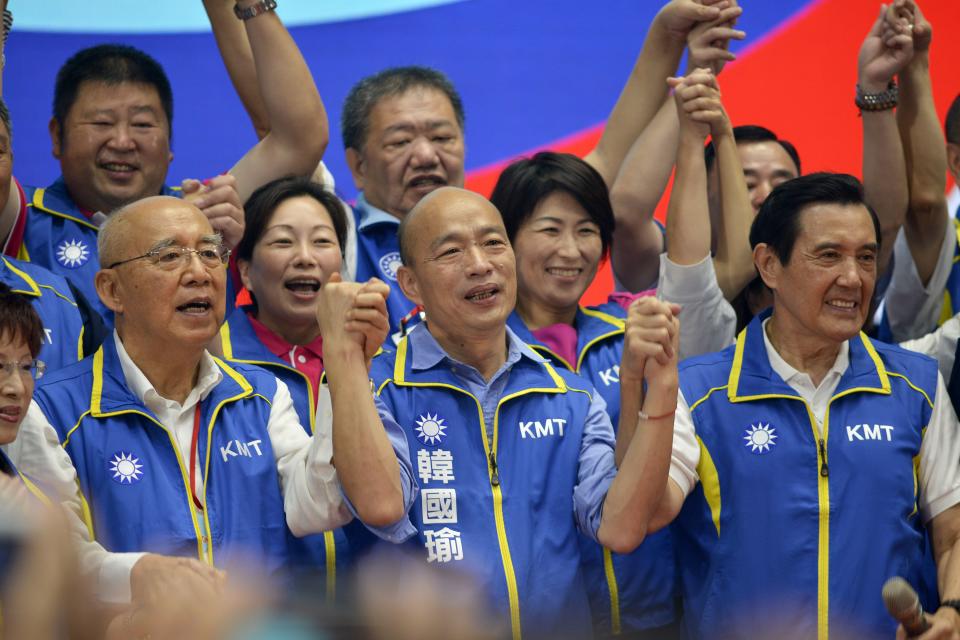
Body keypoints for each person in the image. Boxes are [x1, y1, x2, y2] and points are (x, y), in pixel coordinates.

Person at [10, 196, 415, 607]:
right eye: (168, 256)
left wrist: (344, 361)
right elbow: (52, 558)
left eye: (209, 253)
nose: (199, 273)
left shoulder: (260, 393)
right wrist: (139, 573)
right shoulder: (53, 411)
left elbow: (319, 504)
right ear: (111, 290)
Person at [323, 186, 679, 639]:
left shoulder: (567, 391)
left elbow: (621, 528)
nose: (480, 263)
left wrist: (657, 384)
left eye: (494, 243)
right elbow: (380, 507)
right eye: (451, 251)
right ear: (410, 284)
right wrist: (342, 354)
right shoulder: (374, 384)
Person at [646, 172, 960, 639]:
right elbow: (642, 518)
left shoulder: (915, 384)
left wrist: (953, 611)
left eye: (867, 257)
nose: (853, 278)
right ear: (769, 265)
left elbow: (951, 532)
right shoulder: (700, 391)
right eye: (829, 255)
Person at [491, 148, 731, 637]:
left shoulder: (634, 336)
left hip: (654, 617)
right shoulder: (485, 357)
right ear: (507, 241)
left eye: (586, 230)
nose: (572, 250)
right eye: (550, 229)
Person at [0, 0, 328, 322]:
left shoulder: (203, 214)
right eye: (101, 123)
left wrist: (246, 3)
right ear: (57, 136)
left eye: (143, 124)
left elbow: (299, 139)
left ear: (170, 142)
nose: (123, 142)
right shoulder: (20, 215)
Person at [219, 175, 353, 601]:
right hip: (262, 613)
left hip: (375, 612)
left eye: (321, 241)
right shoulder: (212, 364)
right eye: (282, 242)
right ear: (245, 273)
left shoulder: (378, 360)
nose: (304, 258)